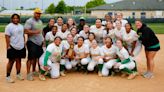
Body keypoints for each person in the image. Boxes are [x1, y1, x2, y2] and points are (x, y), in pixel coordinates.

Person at [5, 14, 26, 83]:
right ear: (12, 19)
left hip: (21, 46)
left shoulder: (21, 26)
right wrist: (8, 46)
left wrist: (24, 43)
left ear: (19, 19)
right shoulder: (9, 26)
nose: (15, 19)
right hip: (12, 46)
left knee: (19, 60)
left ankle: (18, 74)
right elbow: (7, 36)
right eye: (14, 18)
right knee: (11, 61)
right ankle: (8, 76)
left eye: (17, 18)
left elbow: (22, 35)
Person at [24, 8, 44, 81]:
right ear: (34, 13)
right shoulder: (29, 21)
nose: (38, 15)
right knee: (31, 58)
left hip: (39, 42)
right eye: (37, 13)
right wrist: (35, 32)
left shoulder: (40, 21)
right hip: (32, 42)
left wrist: (43, 40)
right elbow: (25, 31)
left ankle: (34, 71)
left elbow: (41, 32)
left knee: (38, 58)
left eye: (39, 14)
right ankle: (28, 74)